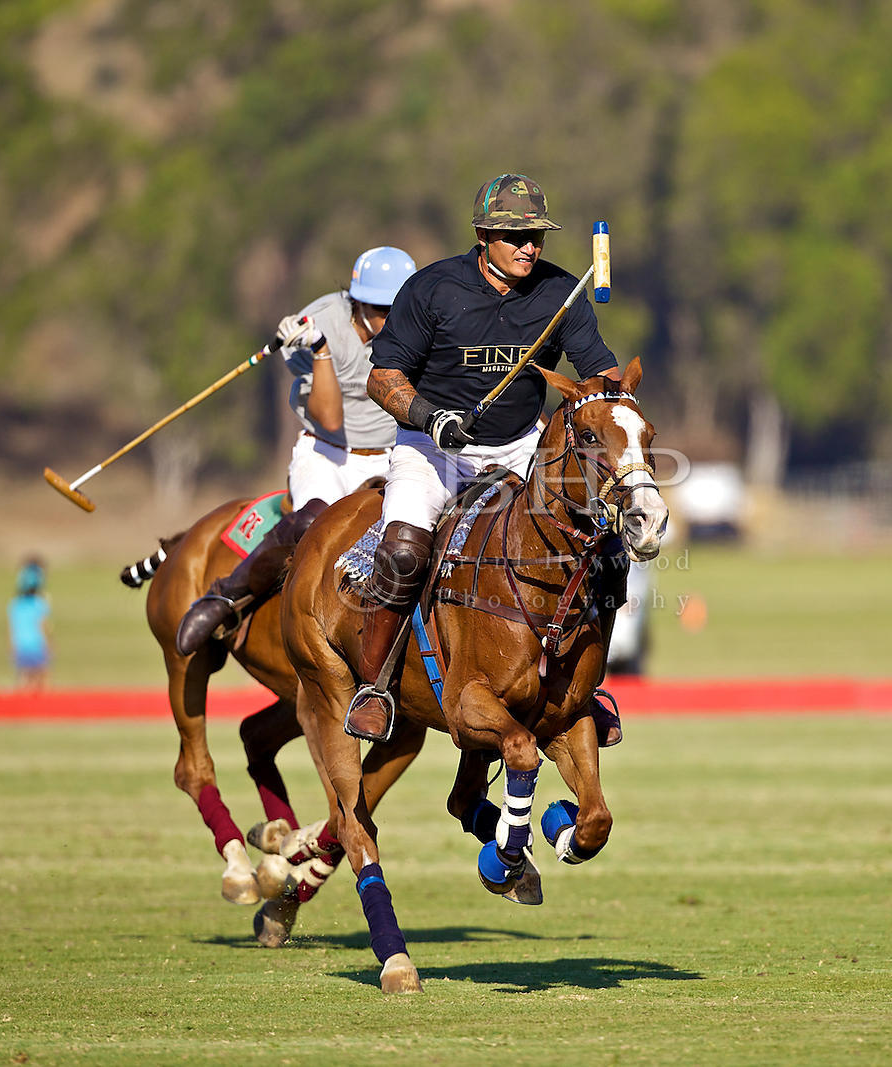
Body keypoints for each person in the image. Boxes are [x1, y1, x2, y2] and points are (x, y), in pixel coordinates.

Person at [348, 173, 624, 743]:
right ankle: (374, 689)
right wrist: (430, 419)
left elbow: (598, 373)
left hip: (523, 444)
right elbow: (383, 378)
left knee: (607, 550)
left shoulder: (561, 294)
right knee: (403, 551)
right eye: (514, 236)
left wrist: (613, 402)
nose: (529, 247)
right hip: (435, 448)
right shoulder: (432, 289)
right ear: (482, 236)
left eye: (537, 238)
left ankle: (587, 688)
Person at [175, 246, 418, 654]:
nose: (390, 319)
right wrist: (320, 350)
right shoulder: (320, 323)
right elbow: (330, 420)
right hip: (327, 453)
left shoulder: (418, 326)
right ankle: (226, 595)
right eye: (380, 309)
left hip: (394, 454)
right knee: (312, 522)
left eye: (399, 308)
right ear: (356, 301)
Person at [8, 557, 52, 691]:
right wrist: (49, 644)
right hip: (36, 645)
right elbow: (42, 626)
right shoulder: (40, 604)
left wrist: (12, 647)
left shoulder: (15, 604)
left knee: (23, 679)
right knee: (41, 680)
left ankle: (20, 707)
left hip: (20, 645)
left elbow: (11, 629)